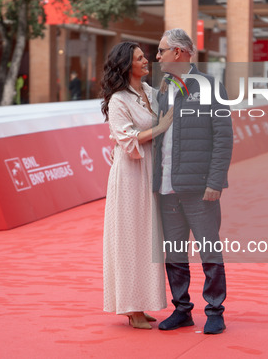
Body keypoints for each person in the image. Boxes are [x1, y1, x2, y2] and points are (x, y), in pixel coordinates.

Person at [153, 29, 233, 334]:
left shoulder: (211, 86)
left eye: (161, 51)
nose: (157, 57)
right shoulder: (163, 90)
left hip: (200, 189)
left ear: (179, 52)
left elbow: (223, 138)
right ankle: (182, 309)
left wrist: (215, 181)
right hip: (166, 189)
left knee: (209, 250)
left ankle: (215, 311)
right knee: (174, 253)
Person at [101, 41, 173, 329]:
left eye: (146, 57)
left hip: (152, 172)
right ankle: (131, 308)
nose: (147, 61)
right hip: (130, 174)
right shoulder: (119, 99)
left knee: (149, 238)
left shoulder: (153, 94)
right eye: (140, 58)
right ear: (126, 65)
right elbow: (126, 137)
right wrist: (161, 127)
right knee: (130, 239)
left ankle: (143, 302)